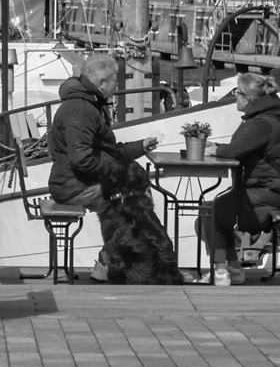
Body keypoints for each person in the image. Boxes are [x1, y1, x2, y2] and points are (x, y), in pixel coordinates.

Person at [46, 51, 182, 284]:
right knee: (129, 200)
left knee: (135, 196)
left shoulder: (89, 104)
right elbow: (83, 161)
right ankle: (110, 263)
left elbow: (107, 153)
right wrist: (119, 175)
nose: (116, 87)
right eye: (114, 82)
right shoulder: (82, 110)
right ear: (101, 83)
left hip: (78, 180)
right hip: (74, 185)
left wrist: (140, 146)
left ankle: (122, 261)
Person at [204, 72, 280, 286]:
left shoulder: (261, 124)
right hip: (270, 189)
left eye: (237, 92)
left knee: (213, 211)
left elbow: (234, 151)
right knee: (218, 210)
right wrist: (218, 149)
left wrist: (215, 150)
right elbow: (237, 148)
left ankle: (221, 272)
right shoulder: (263, 118)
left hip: (271, 193)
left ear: (247, 98)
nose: (234, 96)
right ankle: (233, 270)